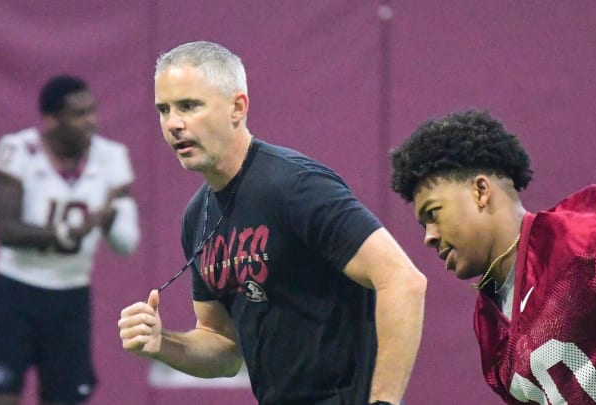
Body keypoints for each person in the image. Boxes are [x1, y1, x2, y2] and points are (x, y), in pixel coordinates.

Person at [117, 41, 427, 405]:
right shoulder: (195, 216)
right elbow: (224, 348)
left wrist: (384, 403)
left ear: (237, 107)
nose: (174, 124)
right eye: (163, 109)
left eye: (189, 106)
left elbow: (403, 281)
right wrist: (162, 342)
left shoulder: (295, 185)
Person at [389, 110, 596, 404]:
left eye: (434, 213)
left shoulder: (585, 234)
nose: (429, 236)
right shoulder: (488, 324)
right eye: (424, 226)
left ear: (480, 190)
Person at [0, 75, 140, 405]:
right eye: (79, 113)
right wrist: (66, 232)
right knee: (2, 393)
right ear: (51, 119)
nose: (90, 121)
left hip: (71, 295)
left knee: (67, 397)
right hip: (17, 289)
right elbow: (6, 229)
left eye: (92, 111)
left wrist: (109, 219)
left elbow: (127, 244)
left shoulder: (111, 157)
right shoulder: (19, 149)